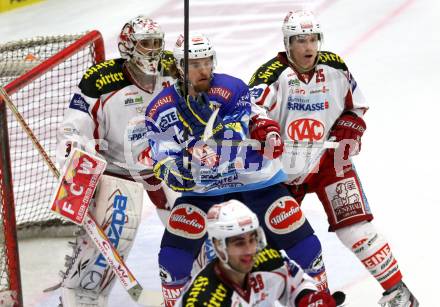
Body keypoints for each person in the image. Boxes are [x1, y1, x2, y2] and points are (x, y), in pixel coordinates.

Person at [144, 33, 334, 306]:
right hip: (204, 193)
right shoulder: (160, 109)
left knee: (306, 246)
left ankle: (318, 297)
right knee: (172, 259)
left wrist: (267, 133)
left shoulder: (231, 88)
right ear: (179, 68)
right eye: (195, 63)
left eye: (207, 60)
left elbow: (253, 118)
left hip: (257, 183)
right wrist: (185, 164)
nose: (204, 69)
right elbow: (163, 163)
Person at [248, 9, 418, 307]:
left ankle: (398, 292)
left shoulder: (335, 66)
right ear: (288, 43)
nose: (309, 47)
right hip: (282, 172)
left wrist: (351, 125)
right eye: (301, 40)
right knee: (271, 241)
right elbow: (250, 111)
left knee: (357, 227)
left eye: (313, 39)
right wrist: (264, 130)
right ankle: (316, 296)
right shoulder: (270, 75)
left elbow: (357, 105)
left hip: (330, 162)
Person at [54, 15, 176, 306]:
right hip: (117, 169)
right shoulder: (101, 79)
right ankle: (82, 295)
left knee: (194, 216)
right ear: (129, 47)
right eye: (146, 44)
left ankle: (198, 284)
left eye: (157, 43)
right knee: (117, 228)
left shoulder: (174, 68)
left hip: (165, 163)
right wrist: (76, 156)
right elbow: (74, 126)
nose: (154, 50)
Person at [175, 199, 338, 307]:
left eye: (253, 239)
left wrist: (308, 298)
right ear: (218, 246)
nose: (249, 250)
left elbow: (295, 283)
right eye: (239, 243)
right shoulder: (204, 300)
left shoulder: (268, 259)